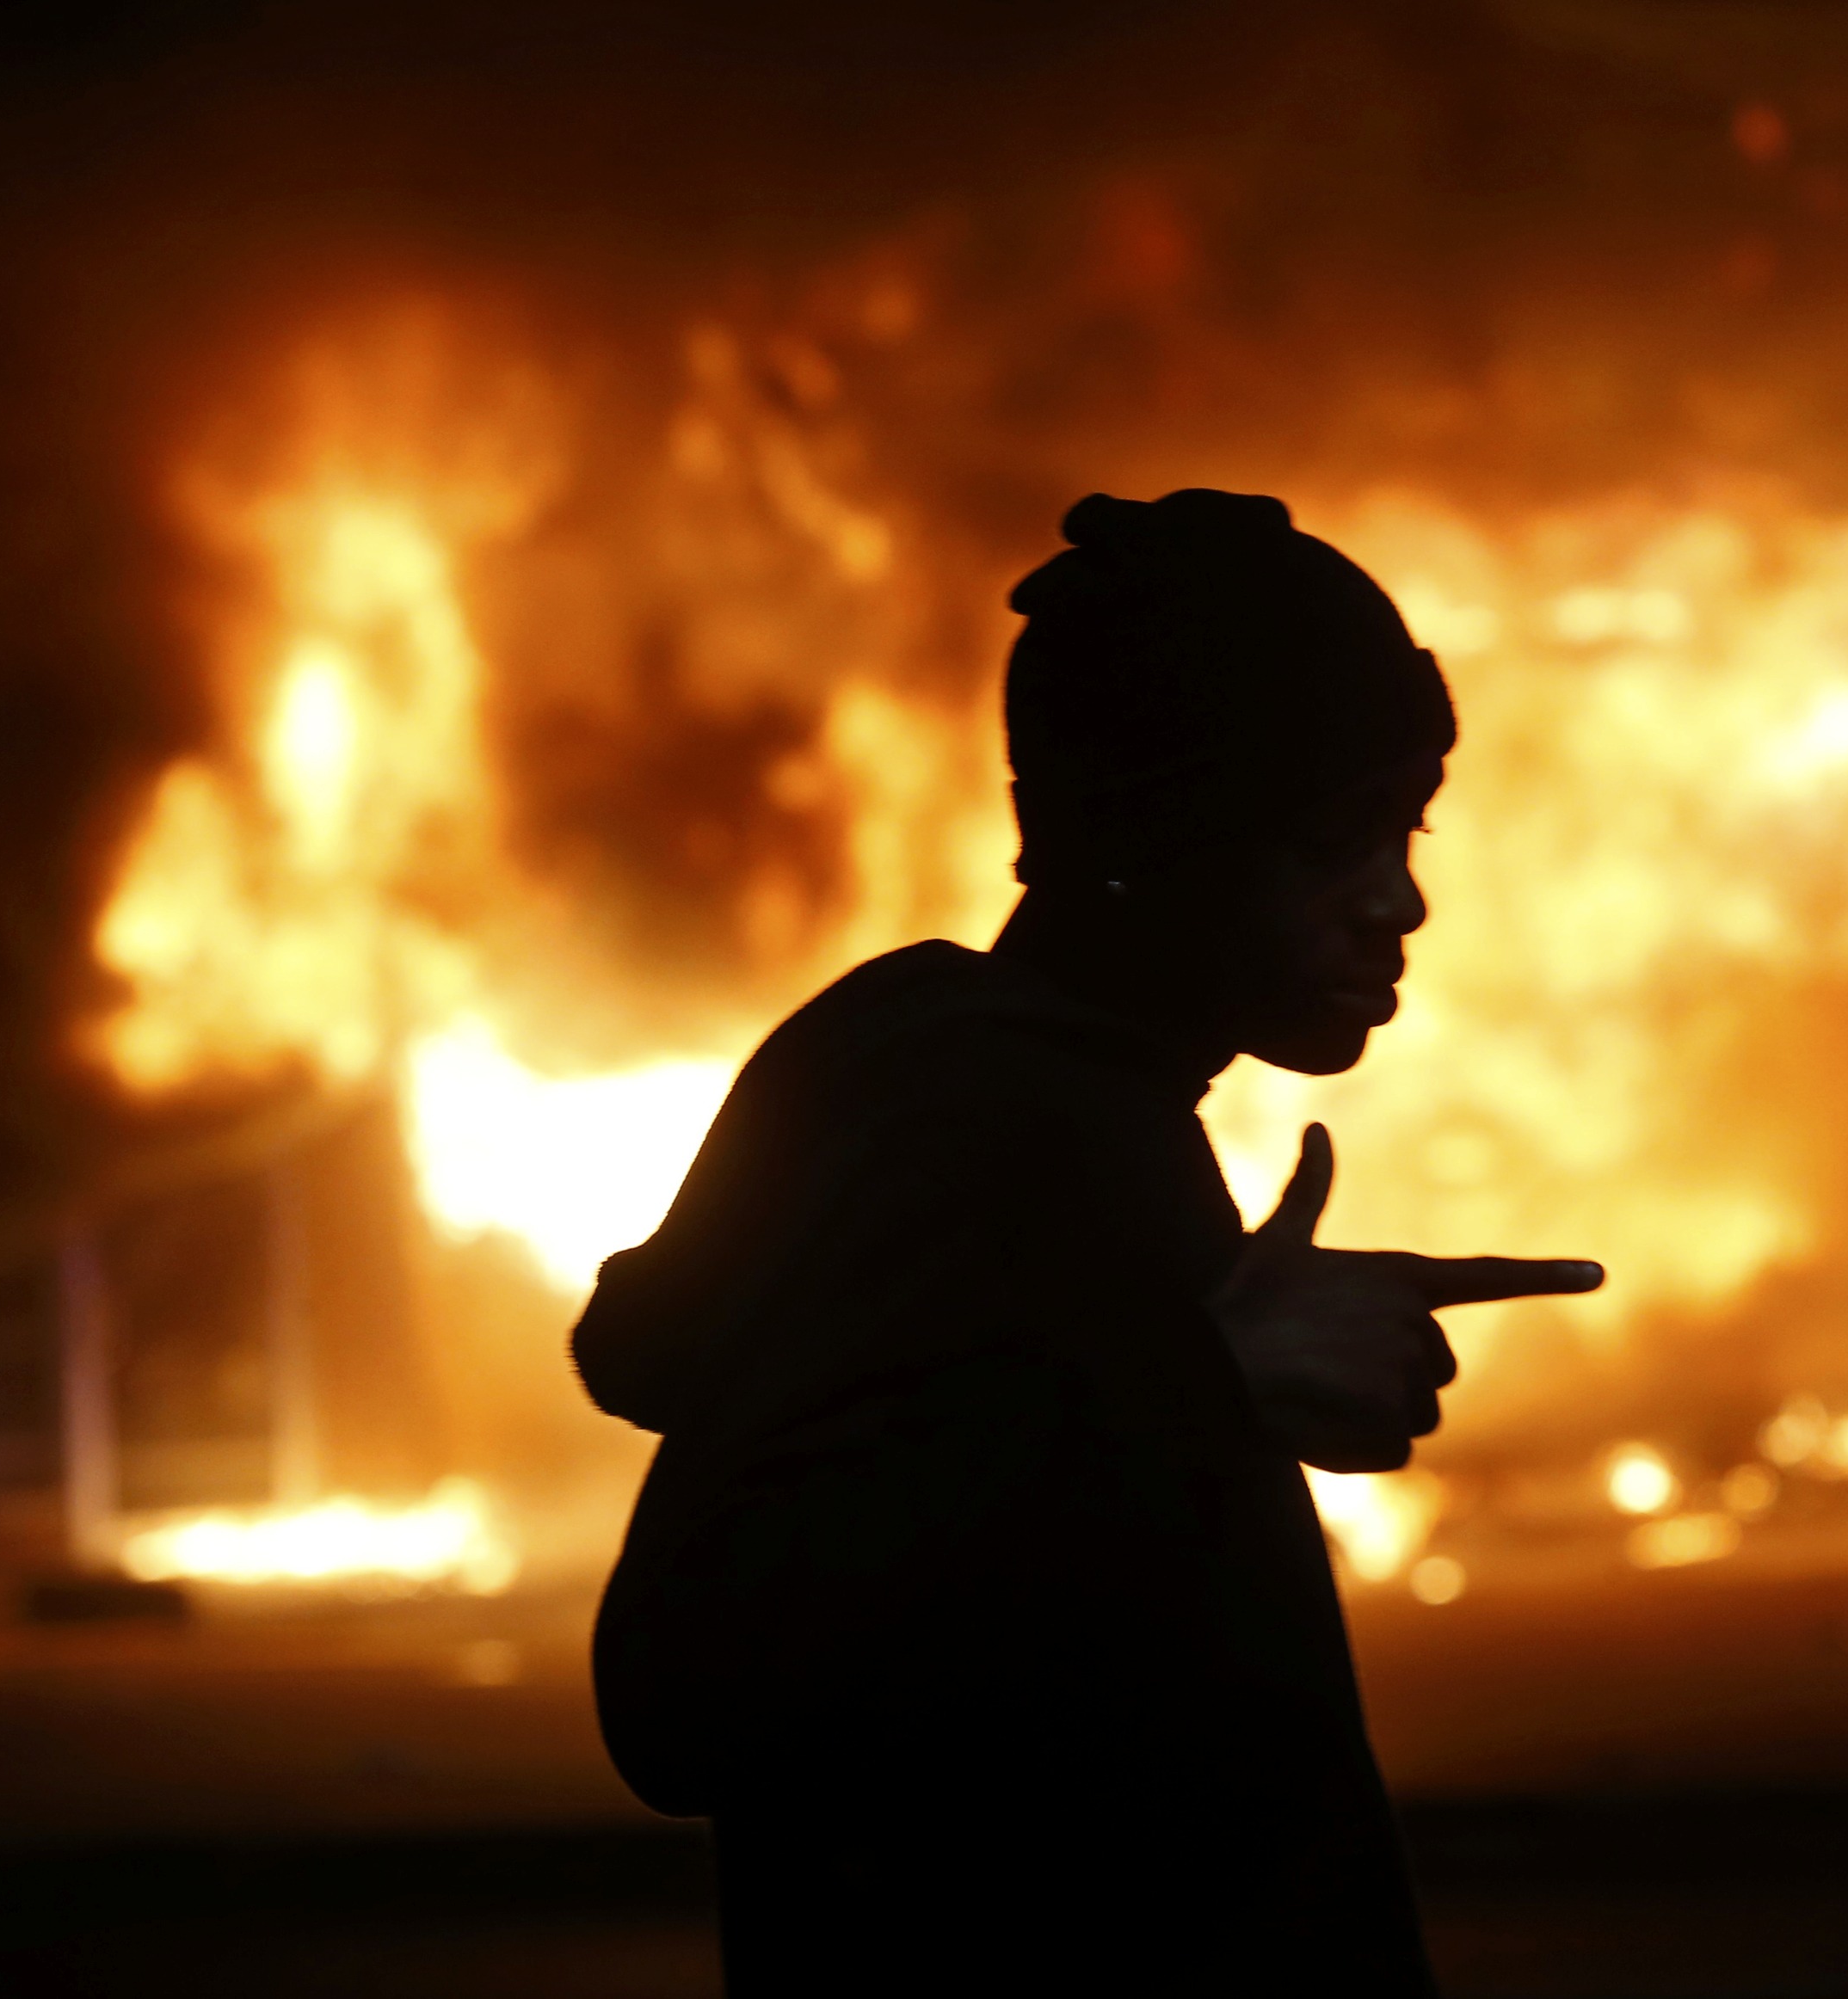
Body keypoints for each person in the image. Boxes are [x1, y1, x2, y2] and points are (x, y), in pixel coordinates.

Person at [572, 489, 1605, 1993]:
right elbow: (693, 1683)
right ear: (1158, 838)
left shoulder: (1032, 1098)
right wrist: (1207, 1379)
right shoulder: (984, 1120)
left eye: (1404, 830)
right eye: (1330, 842)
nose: (1399, 901)